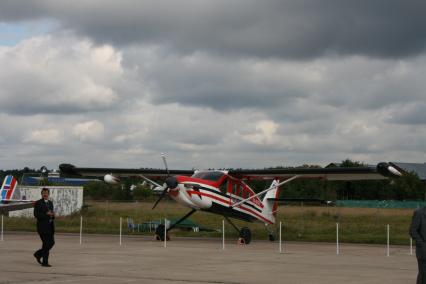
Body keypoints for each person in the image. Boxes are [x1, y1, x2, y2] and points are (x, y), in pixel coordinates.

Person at [33, 187, 55, 267]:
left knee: (52, 243)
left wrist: (52, 215)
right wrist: (46, 214)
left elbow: (51, 213)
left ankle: (38, 254)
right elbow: (36, 215)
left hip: (50, 227)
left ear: (49, 194)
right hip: (42, 227)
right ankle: (45, 262)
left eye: (46, 193)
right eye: (44, 193)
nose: (45, 194)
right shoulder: (38, 203)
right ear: (41, 194)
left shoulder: (50, 202)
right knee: (46, 244)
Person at [410, 207, 426, 284]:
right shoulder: (419, 213)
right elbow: (412, 231)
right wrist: (422, 244)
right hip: (424, 252)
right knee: (424, 276)